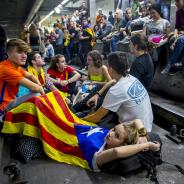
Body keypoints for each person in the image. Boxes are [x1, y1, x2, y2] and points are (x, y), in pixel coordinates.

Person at [1, 89, 160, 170]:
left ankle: (5, 119)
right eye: (113, 130)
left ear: (123, 145)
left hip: (65, 138)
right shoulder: (109, 138)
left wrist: (145, 145)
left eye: (116, 135)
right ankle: (9, 114)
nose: (110, 133)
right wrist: (143, 137)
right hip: (73, 126)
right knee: (55, 95)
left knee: (36, 103)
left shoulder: (100, 156)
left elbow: (117, 153)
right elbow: (138, 120)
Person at [83, 52, 153, 132]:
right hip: (147, 125)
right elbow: (112, 81)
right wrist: (98, 94)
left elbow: (96, 118)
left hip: (136, 133)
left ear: (111, 69)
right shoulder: (132, 78)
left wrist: (79, 119)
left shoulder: (116, 91)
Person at [0, 39, 45, 112]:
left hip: (11, 101)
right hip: (3, 107)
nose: (24, 56)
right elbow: (37, 89)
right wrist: (46, 99)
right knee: (36, 94)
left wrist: (39, 85)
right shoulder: (6, 69)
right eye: (19, 52)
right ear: (8, 53)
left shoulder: (14, 66)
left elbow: (31, 76)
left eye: (25, 52)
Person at [143, 3, 171, 68]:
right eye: (150, 13)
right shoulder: (147, 22)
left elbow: (167, 36)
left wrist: (159, 43)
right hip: (149, 45)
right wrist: (148, 41)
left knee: (156, 53)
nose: (152, 15)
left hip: (160, 46)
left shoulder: (165, 22)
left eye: (153, 13)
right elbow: (143, 35)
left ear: (158, 11)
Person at [161, 0, 184, 74]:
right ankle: (176, 64)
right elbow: (177, 26)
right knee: (171, 39)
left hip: (182, 34)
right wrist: (175, 34)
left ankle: (170, 64)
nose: (176, 3)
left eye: (178, 1)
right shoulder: (178, 12)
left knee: (180, 40)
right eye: (175, 1)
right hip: (180, 32)